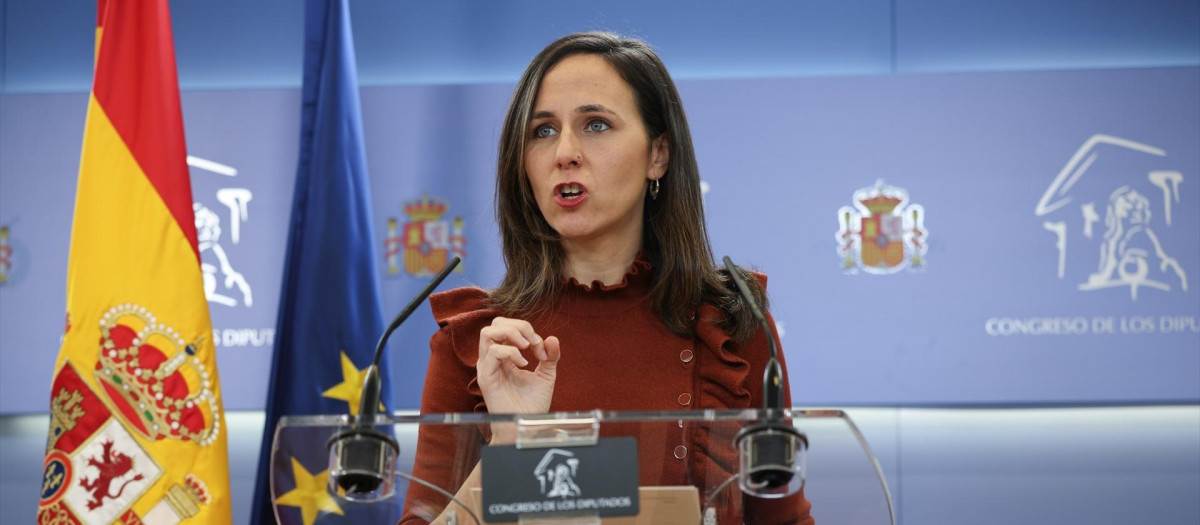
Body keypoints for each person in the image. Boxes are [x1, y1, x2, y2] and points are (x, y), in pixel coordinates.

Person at [400, 32, 813, 524]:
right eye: (543, 131)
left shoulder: (733, 323)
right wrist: (511, 437)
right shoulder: (480, 341)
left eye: (595, 124)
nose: (565, 153)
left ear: (658, 154)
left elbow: (783, 519)